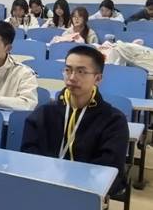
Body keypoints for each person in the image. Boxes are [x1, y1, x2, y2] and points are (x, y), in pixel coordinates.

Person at [21, 46, 128, 195]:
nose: (72, 77)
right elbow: (28, 155)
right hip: (41, 188)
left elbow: (108, 170)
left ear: (98, 79)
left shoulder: (113, 120)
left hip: (86, 194)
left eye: (81, 72)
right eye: (68, 70)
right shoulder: (44, 113)